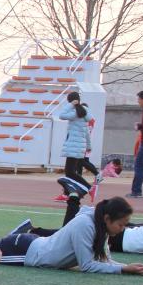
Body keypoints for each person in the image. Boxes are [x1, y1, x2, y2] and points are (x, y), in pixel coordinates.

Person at [0, 198, 143, 275]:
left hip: (31, 244)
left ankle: (19, 233)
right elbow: (87, 265)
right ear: (107, 218)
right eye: (121, 225)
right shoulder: (85, 224)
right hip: (24, 252)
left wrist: (127, 266)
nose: (122, 229)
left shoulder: (101, 228)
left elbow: (103, 260)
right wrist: (123, 269)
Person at [57, 92, 95, 223]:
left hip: (73, 146)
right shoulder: (84, 112)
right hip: (79, 147)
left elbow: (61, 115)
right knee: (71, 172)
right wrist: (88, 146)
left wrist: (70, 105)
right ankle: (74, 192)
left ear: (71, 101)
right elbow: (87, 131)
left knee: (69, 172)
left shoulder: (74, 113)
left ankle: (88, 188)